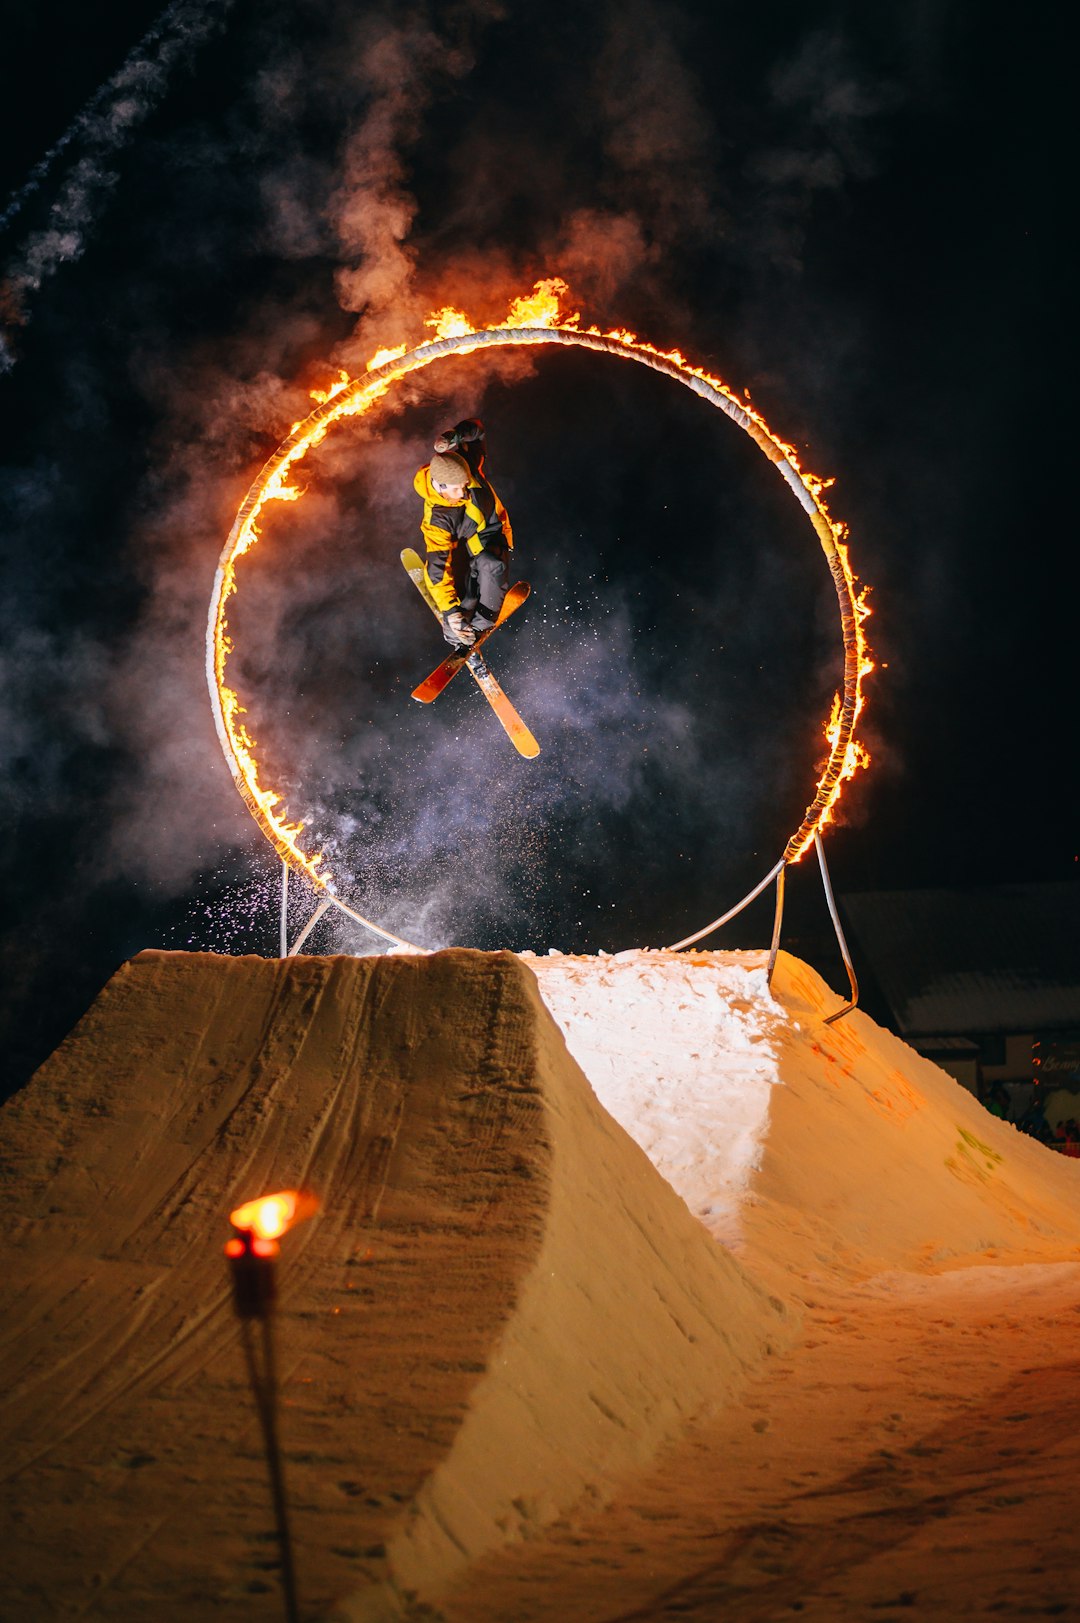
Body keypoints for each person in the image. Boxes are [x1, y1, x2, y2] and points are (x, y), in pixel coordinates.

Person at [413, 418, 513, 651]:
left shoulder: (468, 461)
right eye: (457, 488)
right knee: (461, 607)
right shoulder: (438, 519)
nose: (464, 492)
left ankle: (479, 628)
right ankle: (457, 635)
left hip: (491, 537)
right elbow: (437, 572)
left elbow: (478, 432)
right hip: (463, 551)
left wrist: (454, 435)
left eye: (465, 484)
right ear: (440, 486)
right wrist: (451, 612)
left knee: (492, 566)